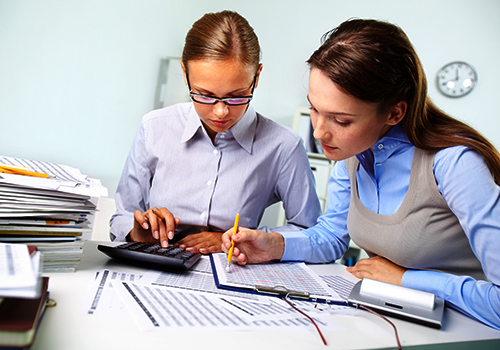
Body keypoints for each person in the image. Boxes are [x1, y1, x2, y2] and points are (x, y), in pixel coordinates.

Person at [222, 18, 500, 329]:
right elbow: (331, 236)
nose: (319, 132)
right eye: (314, 108)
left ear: (395, 112)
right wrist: (274, 245)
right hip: (395, 322)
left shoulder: (455, 164)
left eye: (340, 120)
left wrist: (408, 279)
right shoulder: (352, 155)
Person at [109, 10, 321, 254]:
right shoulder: (154, 128)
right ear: (185, 72)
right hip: (157, 264)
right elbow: (121, 217)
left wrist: (242, 239)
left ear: (257, 76)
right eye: (205, 95)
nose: (220, 112)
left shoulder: (283, 146)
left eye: (237, 96)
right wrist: (139, 231)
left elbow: (309, 232)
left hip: (233, 272)